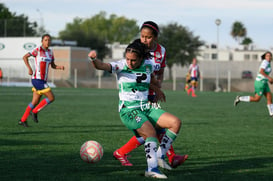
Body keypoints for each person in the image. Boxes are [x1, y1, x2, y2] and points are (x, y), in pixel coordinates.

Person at [89, 39, 182, 179]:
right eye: (127, 59)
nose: (129, 63)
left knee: (175, 123)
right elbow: (101, 66)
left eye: (133, 60)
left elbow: (149, 79)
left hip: (146, 107)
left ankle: (159, 156)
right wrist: (94, 59)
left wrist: (157, 90)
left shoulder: (148, 65)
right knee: (150, 132)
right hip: (129, 110)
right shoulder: (120, 66)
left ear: (141, 58)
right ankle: (152, 169)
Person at [113, 21, 188, 169]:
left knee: (152, 130)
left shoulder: (162, 51)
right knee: (151, 130)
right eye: (142, 36)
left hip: (151, 93)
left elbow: (160, 71)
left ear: (155, 37)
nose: (144, 40)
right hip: (137, 95)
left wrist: (158, 84)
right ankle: (168, 157)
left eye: (148, 37)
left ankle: (122, 152)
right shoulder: (138, 49)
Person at [18, 34, 65, 127]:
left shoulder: (50, 52)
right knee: (51, 97)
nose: (48, 42)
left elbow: (53, 65)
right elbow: (25, 57)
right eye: (46, 40)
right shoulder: (37, 50)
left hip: (42, 80)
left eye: (49, 40)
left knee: (34, 102)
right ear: (42, 41)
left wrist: (59, 67)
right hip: (37, 80)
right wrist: (29, 69)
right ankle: (34, 112)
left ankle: (23, 120)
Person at [234, 51, 273, 116]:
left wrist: (269, 79)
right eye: (267, 56)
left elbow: (265, 73)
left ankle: (271, 113)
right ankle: (240, 98)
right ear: (265, 57)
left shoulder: (268, 63)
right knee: (257, 99)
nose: (269, 57)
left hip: (264, 83)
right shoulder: (265, 62)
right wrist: (269, 78)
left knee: (269, 97)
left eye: (270, 56)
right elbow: (261, 71)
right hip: (260, 83)